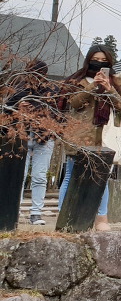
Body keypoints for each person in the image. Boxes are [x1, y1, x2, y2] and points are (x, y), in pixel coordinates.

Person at [58, 44, 121, 231]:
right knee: (71, 175)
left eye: (104, 61)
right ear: (89, 60)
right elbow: (74, 103)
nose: (99, 63)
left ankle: (102, 219)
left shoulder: (115, 82)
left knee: (101, 177)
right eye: (96, 60)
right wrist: (93, 85)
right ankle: (65, 215)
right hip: (78, 133)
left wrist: (109, 88)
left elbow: (120, 106)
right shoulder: (76, 80)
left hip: (103, 135)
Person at [10, 60, 60, 226]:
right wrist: (18, 106)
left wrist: (36, 108)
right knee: (19, 175)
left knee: (39, 176)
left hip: (44, 136)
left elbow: (56, 111)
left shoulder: (52, 89)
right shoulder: (18, 88)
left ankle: (36, 213)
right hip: (22, 135)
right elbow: (7, 109)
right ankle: (14, 210)